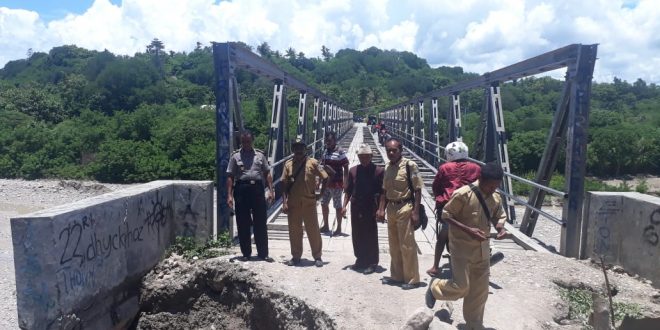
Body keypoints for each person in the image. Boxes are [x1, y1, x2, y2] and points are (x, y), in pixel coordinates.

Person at [425, 162, 509, 330]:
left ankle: (474, 325)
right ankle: (436, 287)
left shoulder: (496, 197)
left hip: (483, 250)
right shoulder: (463, 194)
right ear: (481, 179)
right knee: (461, 287)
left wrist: (500, 228)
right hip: (462, 249)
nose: (493, 189)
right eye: (491, 185)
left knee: (479, 292)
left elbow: (498, 215)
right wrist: (468, 230)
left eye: (496, 186)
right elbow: (446, 216)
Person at [426, 141, 481, 277]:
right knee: (472, 234)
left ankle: (435, 267)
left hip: (449, 207)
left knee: (442, 236)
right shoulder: (476, 167)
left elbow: (436, 186)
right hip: (469, 207)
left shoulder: (445, 167)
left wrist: (439, 199)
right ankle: (477, 263)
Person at [376, 138, 423, 290]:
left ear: (400, 150)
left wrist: (416, 212)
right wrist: (381, 208)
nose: (390, 153)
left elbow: (417, 189)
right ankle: (397, 276)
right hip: (391, 207)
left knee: (407, 244)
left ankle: (412, 279)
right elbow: (384, 190)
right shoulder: (388, 166)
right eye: (388, 150)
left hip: (405, 206)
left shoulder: (410, 165)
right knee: (394, 244)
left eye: (394, 150)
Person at [226, 130, 275, 261]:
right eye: (243, 142)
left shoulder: (260, 155)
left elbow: (267, 174)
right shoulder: (235, 156)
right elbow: (230, 176)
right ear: (241, 142)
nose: (246, 144)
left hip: (257, 189)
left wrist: (271, 190)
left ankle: (263, 253)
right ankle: (246, 253)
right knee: (243, 222)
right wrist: (229, 195)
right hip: (241, 189)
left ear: (252, 141)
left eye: (248, 141)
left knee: (260, 221)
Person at [281, 138, 328, 267]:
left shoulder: (313, 163)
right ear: (293, 150)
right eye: (296, 148)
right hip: (293, 202)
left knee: (313, 230)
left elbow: (326, 177)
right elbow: (284, 185)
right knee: (294, 230)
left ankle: (317, 256)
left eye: (301, 147)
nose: (298, 150)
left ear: (305, 149)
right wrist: (284, 202)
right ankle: (296, 256)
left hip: (309, 201)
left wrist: (321, 194)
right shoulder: (288, 164)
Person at [341, 144, 384, 274]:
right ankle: (360, 259)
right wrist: (344, 206)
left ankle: (372, 262)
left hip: (371, 205)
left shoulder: (379, 171)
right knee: (357, 233)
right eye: (361, 157)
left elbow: (383, 192)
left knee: (370, 234)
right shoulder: (353, 171)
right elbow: (348, 190)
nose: (364, 159)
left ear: (371, 157)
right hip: (356, 205)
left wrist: (381, 209)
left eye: (366, 157)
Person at [320, 132, 349, 236]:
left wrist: (345, 182)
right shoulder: (325, 151)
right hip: (326, 183)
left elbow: (346, 167)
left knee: (337, 206)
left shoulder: (340, 152)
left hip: (336, 183)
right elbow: (322, 165)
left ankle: (339, 228)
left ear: (334, 141)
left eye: (330, 141)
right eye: (326, 141)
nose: (328, 143)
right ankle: (326, 225)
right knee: (324, 204)